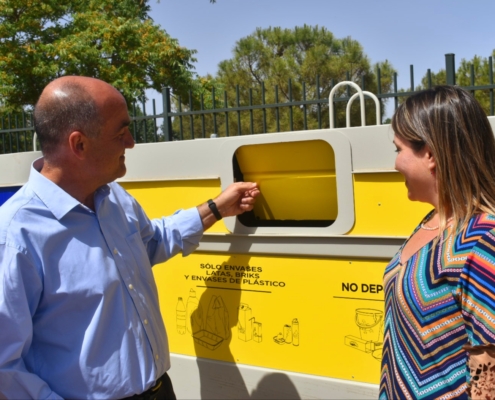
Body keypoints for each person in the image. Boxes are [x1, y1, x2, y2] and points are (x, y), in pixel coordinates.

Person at [0, 76, 260, 399]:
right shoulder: (16, 236)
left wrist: (216, 208)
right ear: (78, 144)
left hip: (161, 389)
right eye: (120, 132)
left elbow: (152, 242)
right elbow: (4, 367)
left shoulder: (114, 198)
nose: (132, 142)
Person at [380, 85, 495, 399]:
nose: (395, 164)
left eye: (398, 149)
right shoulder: (432, 223)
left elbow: (489, 373)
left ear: (429, 153)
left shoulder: (481, 240)